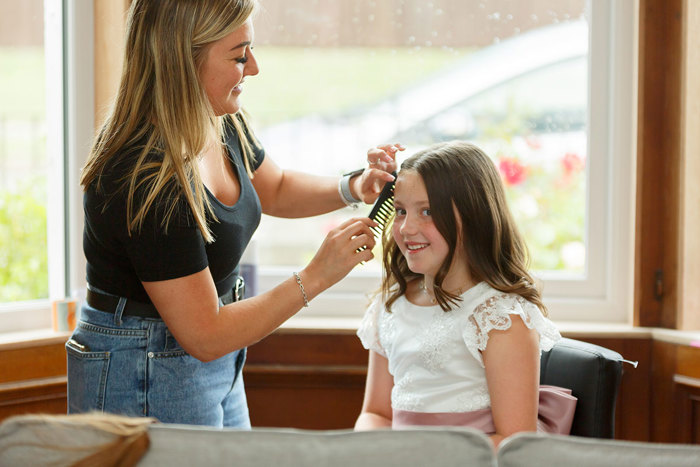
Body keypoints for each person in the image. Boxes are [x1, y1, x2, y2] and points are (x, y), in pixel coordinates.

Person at [67, 0, 402, 428]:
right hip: (145, 367)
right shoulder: (144, 175)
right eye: (240, 55)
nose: (255, 68)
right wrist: (319, 274)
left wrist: (353, 186)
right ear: (182, 59)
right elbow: (205, 333)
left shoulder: (218, 120)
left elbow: (275, 187)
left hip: (217, 357)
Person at [354, 141, 577, 448]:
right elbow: (376, 412)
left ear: (474, 217)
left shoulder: (499, 317)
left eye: (427, 211)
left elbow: (515, 441)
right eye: (401, 211)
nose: (406, 228)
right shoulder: (391, 303)